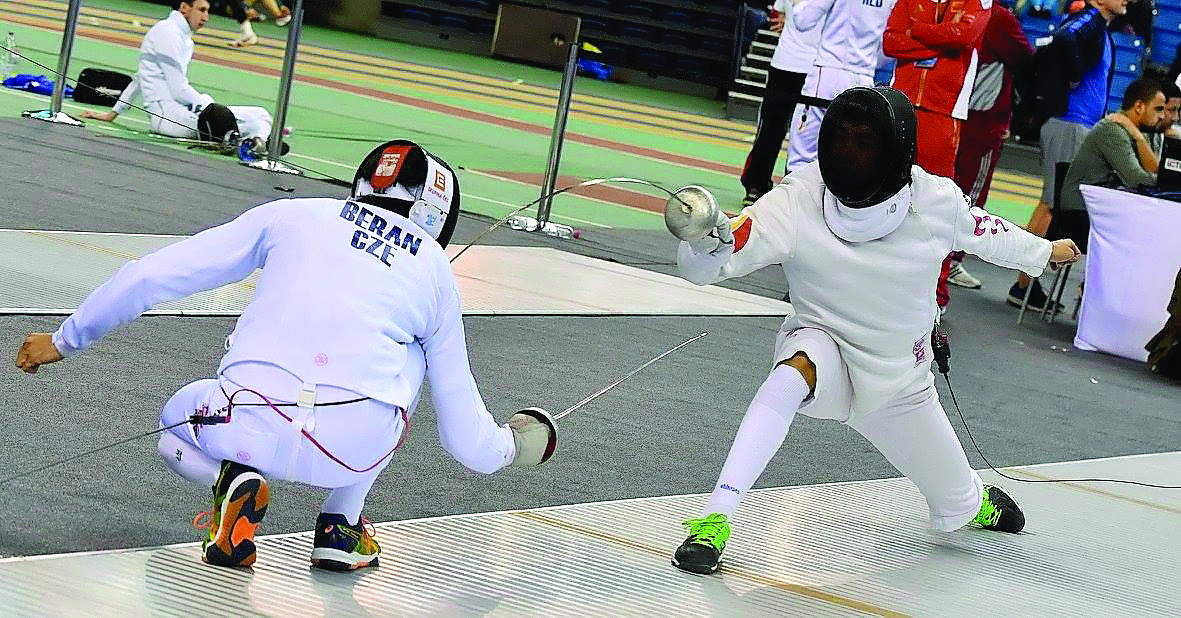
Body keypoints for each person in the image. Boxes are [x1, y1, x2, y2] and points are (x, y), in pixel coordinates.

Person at [14, 140, 558, 570]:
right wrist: (515, 444)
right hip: (353, 446)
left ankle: (231, 481)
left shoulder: (291, 215)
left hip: (244, 419)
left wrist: (64, 340)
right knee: (410, 354)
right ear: (437, 214)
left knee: (171, 426)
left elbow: (151, 274)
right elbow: (465, 436)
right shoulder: (436, 274)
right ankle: (340, 528)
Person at [666, 87, 1081, 575]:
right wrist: (706, 240)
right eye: (841, 140)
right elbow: (722, 254)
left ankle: (971, 500)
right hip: (826, 348)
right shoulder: (800, 198)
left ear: (896, 149)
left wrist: (1043, 252)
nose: (849, 154)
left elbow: (991, 232)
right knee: (789, 373)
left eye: (865, 143)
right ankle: (717, 517)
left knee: (957, 502)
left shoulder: (933, 201)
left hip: (901, 383)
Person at [1008, 0, 1125, 309]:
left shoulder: (1097, 26)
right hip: (1069, 123)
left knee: (1052, 203)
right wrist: (1074, 72)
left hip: (1076, 123)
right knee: (1050, 204)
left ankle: (1025, 283)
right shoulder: (1088, 19)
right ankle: (1023, 284)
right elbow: (1064, 37)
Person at [883, 0, 991, 316]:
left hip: (943, 114)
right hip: (900, 104)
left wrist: (917, 33)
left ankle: (935, 293)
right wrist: (938, 45)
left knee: (935, 207)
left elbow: (963, 36)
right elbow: (890, 43)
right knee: (883, 194)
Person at [80, 0, 274, 144]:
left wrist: (113, 113)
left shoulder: (182, 36)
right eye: (201, 10)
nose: (206, 17)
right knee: (255, 124)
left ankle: (249, 140)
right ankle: (251, 142)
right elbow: (178, 90)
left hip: (183, 112)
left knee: (262, 114)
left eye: (207, 11)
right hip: (169, 119)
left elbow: (139, 79)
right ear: (184, 8)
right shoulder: (167, 32)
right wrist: (211, 107)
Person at [947, 0, 1036, 292]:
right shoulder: (998, 17)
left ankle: (940, 257)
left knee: (945, 184)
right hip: (983, 117)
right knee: (971, 191)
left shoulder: (957, 8)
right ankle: (950, 261)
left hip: (954, 108)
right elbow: (1026, 57)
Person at [1048, 77, 1162, 256]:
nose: (1162, 116)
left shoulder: (1137, 132)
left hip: (1098, 207)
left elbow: (1150, 170)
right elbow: (1135, 179)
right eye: (1158, 109)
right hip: (1080, 212)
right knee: (1145, 233)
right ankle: (1092, 283)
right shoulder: (1113, 130)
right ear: (1139, 106)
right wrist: (1169, 182)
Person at [782, 0, 899, 172]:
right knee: (847, 160)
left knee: (802, 159)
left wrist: (798, 3)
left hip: (828, 76)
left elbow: (803, 20)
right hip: (864, 81)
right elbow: (885, 52)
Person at [739, 0, 821, 207]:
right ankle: (798, 191)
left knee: (770, 128)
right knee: (807, 136)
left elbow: (775, 13)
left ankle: (755, 185)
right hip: (815, 69)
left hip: (784, 64)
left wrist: (787, 20)